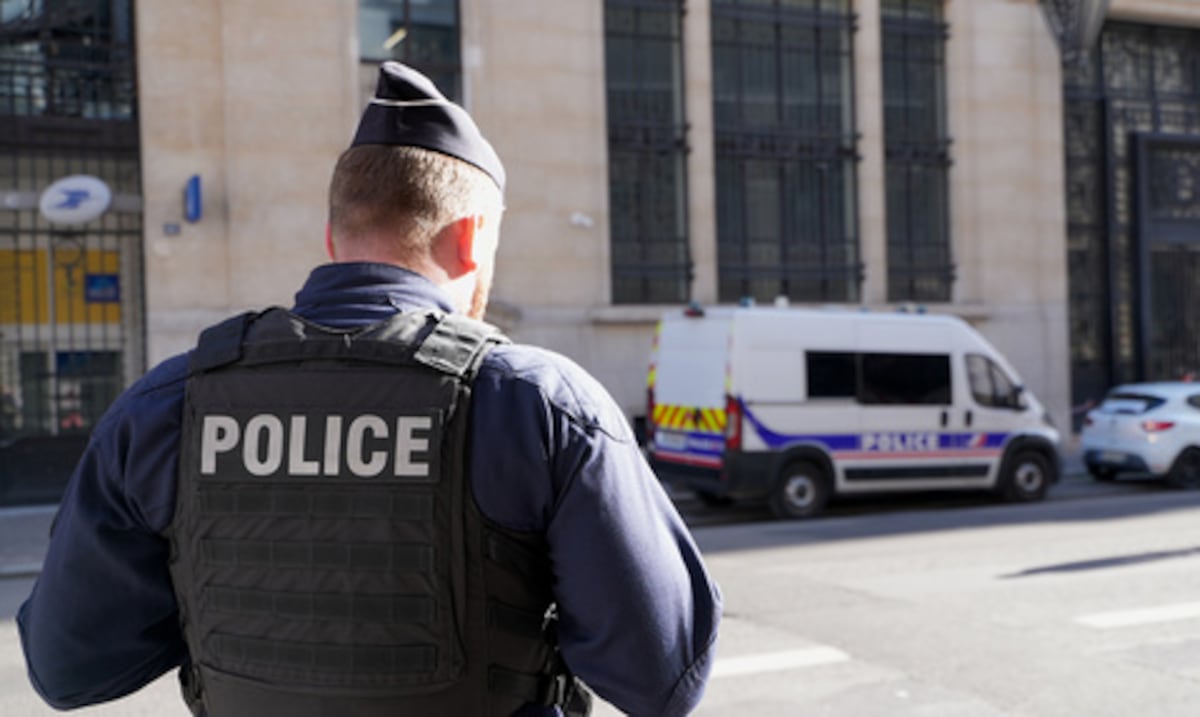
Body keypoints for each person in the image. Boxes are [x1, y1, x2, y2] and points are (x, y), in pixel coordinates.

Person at [18, 62, 721, 717]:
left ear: (332, 235)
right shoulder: (540, 406)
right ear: (472, 238)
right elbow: (663, 674)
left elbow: (67, 666)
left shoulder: (165, 406)